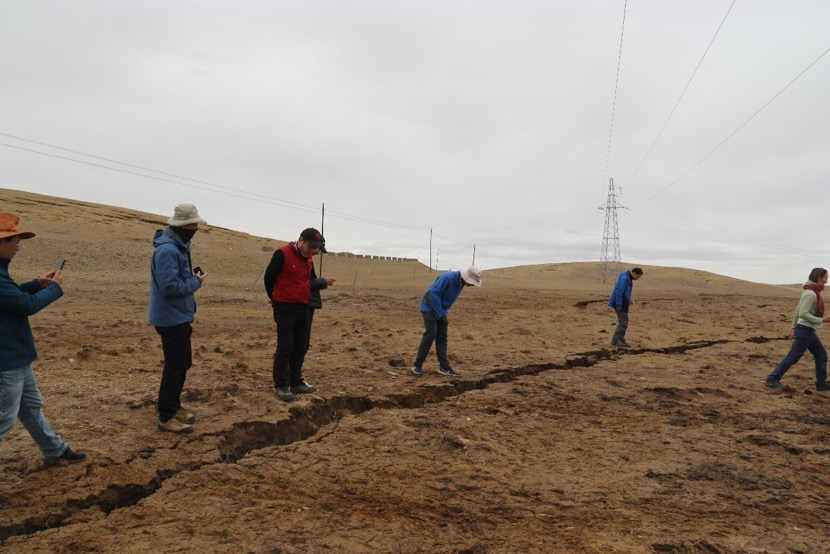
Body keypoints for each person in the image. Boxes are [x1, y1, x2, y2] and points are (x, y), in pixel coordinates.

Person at [0, 212, 86, 464]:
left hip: (14, 355)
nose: (17, 246)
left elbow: (11, 296)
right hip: (6, 359)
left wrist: (36, 283)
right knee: (5, 417)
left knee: (29, 407)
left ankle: (54, 449)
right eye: (14, 240)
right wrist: (55, 288)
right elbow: (25, 305)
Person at [149, 203, 207, 434]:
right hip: (170, 318)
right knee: (175, 366)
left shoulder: (178, 246)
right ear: (182, 225)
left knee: (182, 363)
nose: (195, 228)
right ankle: (166, 416)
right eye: (193, 224)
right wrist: (196, 282)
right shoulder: (168, 250)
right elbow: (169, 287)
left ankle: (173, 406)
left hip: (178, 315)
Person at [265, 228, 325, 401]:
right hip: (285, 307)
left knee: (301, 345)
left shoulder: (309, 258)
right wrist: (275, 298)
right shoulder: (282, 253)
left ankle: (296, 381)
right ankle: (281, 384)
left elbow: (304, 282)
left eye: (316, 248)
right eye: (310, 246)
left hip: (303, 306)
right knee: (285, 347)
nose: (312, 250)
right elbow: (269, 278)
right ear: (300, 240)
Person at [765, 267, 830, 391]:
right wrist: (822, 320)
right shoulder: (811, 294)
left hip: (807, 330)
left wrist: (793, 327)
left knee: (821, 354)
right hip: (805, 330)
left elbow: (797, 312)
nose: (826, 281)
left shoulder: (809, 291)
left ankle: (821, 384)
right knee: (793, 356)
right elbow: (803, 314)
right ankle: (772, 378)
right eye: (825, 278)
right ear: (818, 278)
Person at [411, 266, 482, 377]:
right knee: (431, 334)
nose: (471, 285)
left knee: (442, 337)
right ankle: (417, 365)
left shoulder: (461, 283)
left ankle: (444, 367)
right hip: (428, 307)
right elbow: (434, 292)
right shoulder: (448, 277)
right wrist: (438, 313)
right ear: (466, 278)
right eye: (472, 282)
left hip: (441, 310)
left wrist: (441, 313)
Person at [308, 239, 335, 351]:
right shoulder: (298, 259)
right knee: (293, 345)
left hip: (307, 304)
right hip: (300, 305)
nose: (316, 252)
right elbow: (299, 285)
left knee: (302, 345)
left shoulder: (308, 260)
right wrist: (322, 281)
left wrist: (320, 284)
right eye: (316, 249)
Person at [607, 267, 643, 347]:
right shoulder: (625, 278)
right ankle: (615, 341)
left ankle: (621, 340)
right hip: (619, 304)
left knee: (624, 323)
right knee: (623, 322)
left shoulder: (628, 279)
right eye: (638, 276)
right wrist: (619, 304)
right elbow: (619, 291)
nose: (638, 278)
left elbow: (625, 292)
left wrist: (629, 301)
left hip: (623, 303)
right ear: (634, 273)